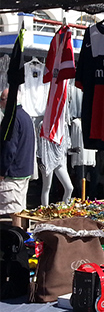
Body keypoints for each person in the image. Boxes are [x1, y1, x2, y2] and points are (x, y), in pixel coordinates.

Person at [0, 87, 35, 228]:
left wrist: (2, 171)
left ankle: (17, 238)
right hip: (23, 170)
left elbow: (9, 149)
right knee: (18, 209)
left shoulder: (12, 119)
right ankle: (20, 237)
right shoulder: (25, 116)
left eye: (1, 99)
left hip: (13, 172)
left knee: (13, 209)